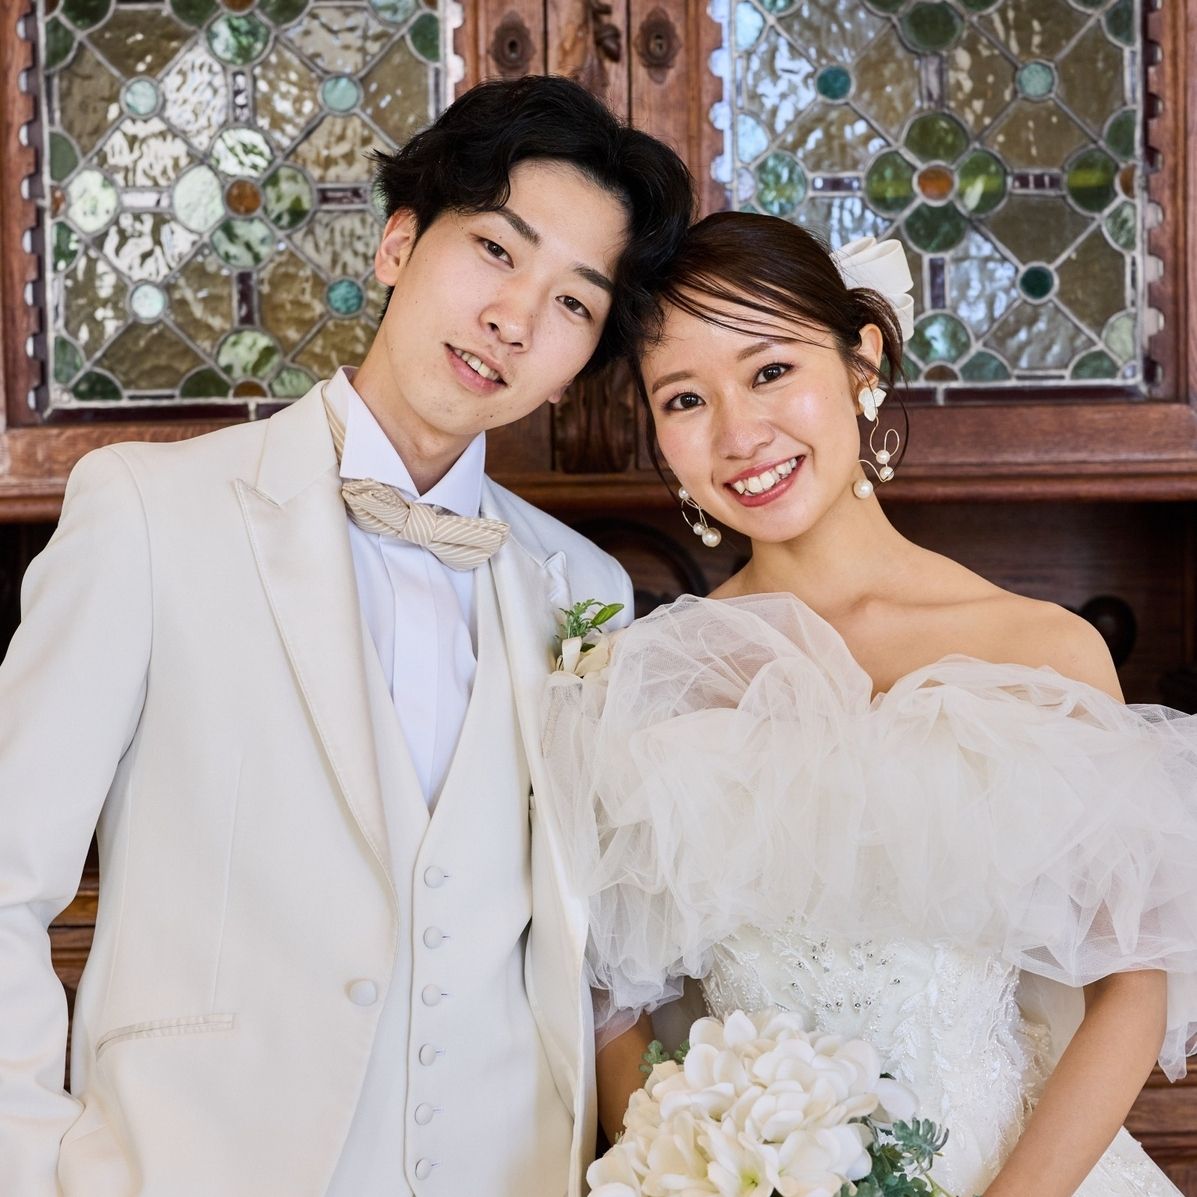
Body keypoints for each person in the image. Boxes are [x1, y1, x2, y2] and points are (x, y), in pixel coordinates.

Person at [0, 75, 693, 1196]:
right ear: (397, 243)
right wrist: (42, 1165)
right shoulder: (147, 512)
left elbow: (602, 946)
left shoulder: (585, 588)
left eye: (575, 304)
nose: (515, 319)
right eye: (496, 250)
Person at [542, 212, 1197, 1196]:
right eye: (685, 399)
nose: (739, 434)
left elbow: (1131, 990)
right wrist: (688, 1169)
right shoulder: (647, 680)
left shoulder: (1044, 652)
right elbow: (614, 1004)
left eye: (770, 371)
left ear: (862, 360)